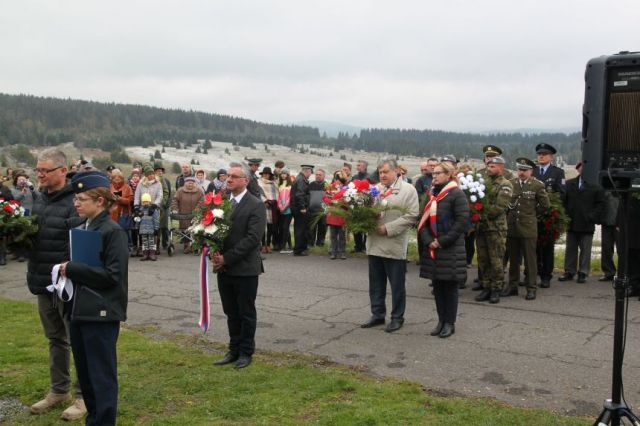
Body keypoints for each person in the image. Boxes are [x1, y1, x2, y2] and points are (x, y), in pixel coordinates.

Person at [60, 171, 128, 426]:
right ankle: (94, 418)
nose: (75, 203)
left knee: (101, 375)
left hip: (101, 313)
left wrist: (73, 268)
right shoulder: (82, 227)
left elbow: (113, 276)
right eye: (75, 198)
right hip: (79, 310)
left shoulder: (112, 231)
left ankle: (104, 421)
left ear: (100, 201)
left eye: (81, 199)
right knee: (86, 375)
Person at [27, 149, 86, 420]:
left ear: (62, 171)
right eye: (38, 169)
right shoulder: (38, 199)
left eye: (45, 170)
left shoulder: (78, 201)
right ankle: (59, 390)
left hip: (69, 285)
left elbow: (81, 245)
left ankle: (84, 396)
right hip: (42, 281)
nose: (39, 174)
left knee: (80, 342)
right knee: (55, 340)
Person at [211, 163, 266, 369]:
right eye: (228, 176)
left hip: (245, 268)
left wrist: (227, 258)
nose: (229, 179)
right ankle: (233, 350)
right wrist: (213, 249)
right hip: (224, 268)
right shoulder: (222, 202)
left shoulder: (255, 204)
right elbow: (214, 230)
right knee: (230, 311)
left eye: (234, 176)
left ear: (246, 181)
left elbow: (253, 238)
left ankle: (245, 352)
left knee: (245, 312)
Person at [361, 158, 419, 333]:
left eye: (386, 172)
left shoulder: (408, 190)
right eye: (380, 172)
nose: (382, 175)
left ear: (396, 171)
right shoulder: (375, 189)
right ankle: (377, 314)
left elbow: (411, 215)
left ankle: (397, 317)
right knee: (376, 283)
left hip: (393, 244)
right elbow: (365, 211)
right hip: (374, 243)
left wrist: (388, 228)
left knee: (396, 285)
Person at [417, 162, 469, 338]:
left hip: (450, 248)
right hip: (433, 247)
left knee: (450, 288)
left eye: (438, 173)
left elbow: (461, 223)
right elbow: (422, 220)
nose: (435, 177)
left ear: (449, 175)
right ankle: (440, 320)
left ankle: (450, 323)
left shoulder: (457, 195)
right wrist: (429, 241)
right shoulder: (431, 195)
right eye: (433, 174)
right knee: (438, 286)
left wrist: (441, 242)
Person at [503, 158, 549, 300]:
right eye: (519, 170)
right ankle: (512, 286)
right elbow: (505, 204)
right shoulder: (511, 184)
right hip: (512, 227)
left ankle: (531, 287)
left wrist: (532, 215)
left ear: (531, 171)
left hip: (528, 227)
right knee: (513, 259)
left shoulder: (537, 185)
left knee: (530, 260)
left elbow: (545, 205)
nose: (521, 173)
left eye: (525, 170)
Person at [474, 156, 513, 304]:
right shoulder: (483, 182)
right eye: (488, 166)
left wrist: (481, 214)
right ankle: (486, 286)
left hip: (496, 228)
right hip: (482, 227)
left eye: (493, 167)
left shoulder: (505, 184)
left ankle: (496, 288)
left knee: (496, 260)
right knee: (483, 259)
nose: (489, 169)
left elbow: (499, 207)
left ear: (501, 168)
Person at [558, 161, 605, 283]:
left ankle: (583, 272)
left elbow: (600, 204)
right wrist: (565, 216)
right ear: (577, 169)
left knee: (586, 249)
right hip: (572, 221)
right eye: (580, 167)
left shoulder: (596, 186)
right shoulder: (569, 184)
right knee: (571, 248)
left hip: (587, 222)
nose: (582, 170)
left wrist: (592, 216)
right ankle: (569, 271)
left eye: (585, 167)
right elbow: (563, 201)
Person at [533, 143, 565, 287]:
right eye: (539, 154)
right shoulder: (532, 170)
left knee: (546, 247)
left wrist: (553, 206)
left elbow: (562, 192)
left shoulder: (557, 172)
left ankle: (546, 275)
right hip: (532, 214)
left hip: (548, 215)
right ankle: (532, 273)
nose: (541, 156)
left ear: (551, 157)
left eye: (544, 154)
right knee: (532, 246)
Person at [171, 176, 204, 254]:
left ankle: (195, 246)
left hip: (195, 214)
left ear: (194, 184)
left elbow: (202, 201)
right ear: (185, 183)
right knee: (185, 230)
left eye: (192, 183)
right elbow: (175, 200)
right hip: (183, 214)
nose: (190, 184)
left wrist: (197, 209)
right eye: (188, 182)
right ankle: (186, 246)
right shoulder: (180, 191)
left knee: (195, 230)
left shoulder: (199, 191)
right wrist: (175, 209)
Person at [109, 169, 134, 252]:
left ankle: (127, 247)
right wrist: (111, 198)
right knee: (113, 232)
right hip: (112, 213)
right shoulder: (110, 187)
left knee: (124, 231)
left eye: (118, 178)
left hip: (123, 213)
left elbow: (130, 200)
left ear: (122, 178)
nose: (116, 180)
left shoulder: (127, 187)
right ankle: (115, 248)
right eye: (114, 178)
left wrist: (120, 199)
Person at [291, 164, 313, 256]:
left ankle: (301, 248)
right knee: (301, 229)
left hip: (298, 207)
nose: (311, 174)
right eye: (311, 172)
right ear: (307, 171)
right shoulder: (301, 180)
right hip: (300, 208)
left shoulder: (300, 178)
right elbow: (300, 194)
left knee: (301, 228)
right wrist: (302, 207)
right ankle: (299, 249)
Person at [327, 170, 349, 260]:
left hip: (342, 214)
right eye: (337, 178)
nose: (338, 180)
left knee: (342, 236)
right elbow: (325, 197)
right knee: (333, 236)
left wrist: (342, 202)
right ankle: (333, 252)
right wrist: (331, 201)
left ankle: (342, 252)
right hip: (333, 214)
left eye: (340, 178)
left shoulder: (347, 188)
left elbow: (350, 200)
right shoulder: (331, 187)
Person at [257, 167, 279, 253]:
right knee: (263, 226)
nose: (266, 175)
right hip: (262, 206)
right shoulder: (258, 182)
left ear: (270, 175)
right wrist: (265, 201)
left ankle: (268, 245)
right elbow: (258, 193)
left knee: (270, 227)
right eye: (265, 174)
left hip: (272, 207)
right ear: (262, 174)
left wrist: (274, 202)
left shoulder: (274, 183)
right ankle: (262, 245)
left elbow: (276, 194)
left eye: (268, 174)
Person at [599, 190, 619, 282]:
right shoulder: (605, 189)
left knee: (622, 250)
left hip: (620, 224)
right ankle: (609, 272)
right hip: (606, 223)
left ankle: (624, 272)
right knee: (606, 248)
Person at [135, 193, 160, 261]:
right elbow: (138, 219)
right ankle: (145, 254)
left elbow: (156, 219)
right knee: (144, 242)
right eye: (144, 202)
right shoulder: (140, 210)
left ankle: (152, 254)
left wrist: (156, 228)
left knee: (152, 242)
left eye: (147, 201)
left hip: (151, 229)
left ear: (150, 201)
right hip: (143, 230)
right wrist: (137, 227)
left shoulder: (153, 210)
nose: (145, 203)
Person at [308, 168, 327, 247]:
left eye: (320, 175)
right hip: (312, 210)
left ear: (324, 176)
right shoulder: (311, 185)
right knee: (312, 228)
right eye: (317, 174)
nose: (318, 176)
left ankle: (320, 243)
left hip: (323, 211)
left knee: (322, 228)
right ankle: (310, 243)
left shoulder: (327, 185)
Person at [155, 164, 172, 250]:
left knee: (164, 226)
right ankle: (156, 245)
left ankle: (165, 243)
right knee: (156, 226)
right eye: (158, 171)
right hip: (155, 206)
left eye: (161, 171)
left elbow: (168, 194)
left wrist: (165, 204)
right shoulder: (153, 181)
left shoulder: (167, 181)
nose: (160, 172)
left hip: (165, 207)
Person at [276, 168, 294, 253]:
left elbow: (290, 197)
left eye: (285, 174)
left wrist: (285, 207)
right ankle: (290, 245)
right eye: (282, 173)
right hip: (281, 209)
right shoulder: (279, 184)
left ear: (288, 175)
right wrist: (280, 206)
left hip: (288, 209)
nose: (283, 175)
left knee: (285, 227)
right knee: (284, 228)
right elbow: (278, 197)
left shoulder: (291, 185)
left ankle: (283, 247)